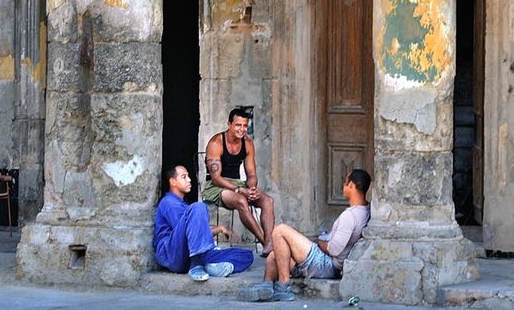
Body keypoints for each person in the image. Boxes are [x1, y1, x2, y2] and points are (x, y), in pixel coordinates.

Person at [237, 169, 371, 302]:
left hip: (328, 265)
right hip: (327, 262)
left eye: (345, 182)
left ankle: (283, 286)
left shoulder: (350, 215)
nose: (343, 186)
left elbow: (334, 249)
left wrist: (320, 242)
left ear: (352, 185)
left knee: (280, 230)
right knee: (275, 254)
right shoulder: (365, 210)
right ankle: (266, 285)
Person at [154, 164, 255, 281]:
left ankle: (210, 267)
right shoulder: (169, 202)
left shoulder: (183, 203)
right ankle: (196, 264)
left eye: (188, 176)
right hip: (173, 255)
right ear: (173, 181)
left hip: (189, 255)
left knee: (246, 255)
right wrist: (220, 229)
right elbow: (189, 234)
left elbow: (197, 230)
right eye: (184, 177)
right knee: (199, 207)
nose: (189, 179)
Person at [202, 107, 275, 255]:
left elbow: (252, 174)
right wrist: (240, 190)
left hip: (238, 185)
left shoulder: (247, 144)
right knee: (242, 200)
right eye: (238, 125)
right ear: (229, 124)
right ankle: (266, 244)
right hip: (216, 187)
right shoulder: (216, 143)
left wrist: (252, 188)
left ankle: (269, 244)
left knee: (268, 201)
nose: (242, 129)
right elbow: (216, 178)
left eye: (244, 126)